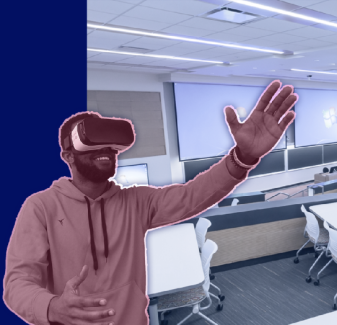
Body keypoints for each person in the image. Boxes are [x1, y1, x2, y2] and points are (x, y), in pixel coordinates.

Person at [3, 81, 297, 325]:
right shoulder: (40, 207)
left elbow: (193, 195)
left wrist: (243, 157)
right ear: (67, 156)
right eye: (93, 146)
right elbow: (16, 284)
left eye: (111, 146)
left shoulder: (135, 201)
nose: (107, 151)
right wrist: (52, 307)